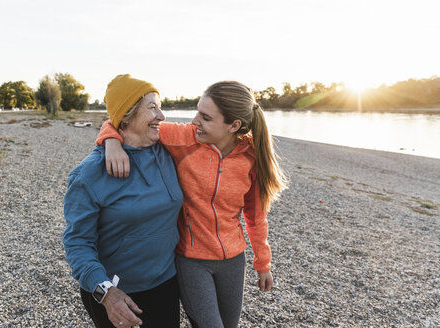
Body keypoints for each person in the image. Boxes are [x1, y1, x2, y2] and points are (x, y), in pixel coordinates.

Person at [97, 80, 287, 328]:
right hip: (191, 260)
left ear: (234, 126)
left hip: (232, 261)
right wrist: (111, 142)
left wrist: (263, 264)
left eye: (205, 117)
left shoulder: (251, 156)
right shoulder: (184, 138)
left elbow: (255, 216)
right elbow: (126, 124)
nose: (195, 120)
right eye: (197, 111)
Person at [63, 74, 183, 328]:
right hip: (117, 291)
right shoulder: (89, 174)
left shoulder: (169, 150)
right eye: (152, 107)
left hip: (166, 283)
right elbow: (77, 242)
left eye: (160, 107)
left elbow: (215, 131)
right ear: (127, 115)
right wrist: (105, 293)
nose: (161, 116)